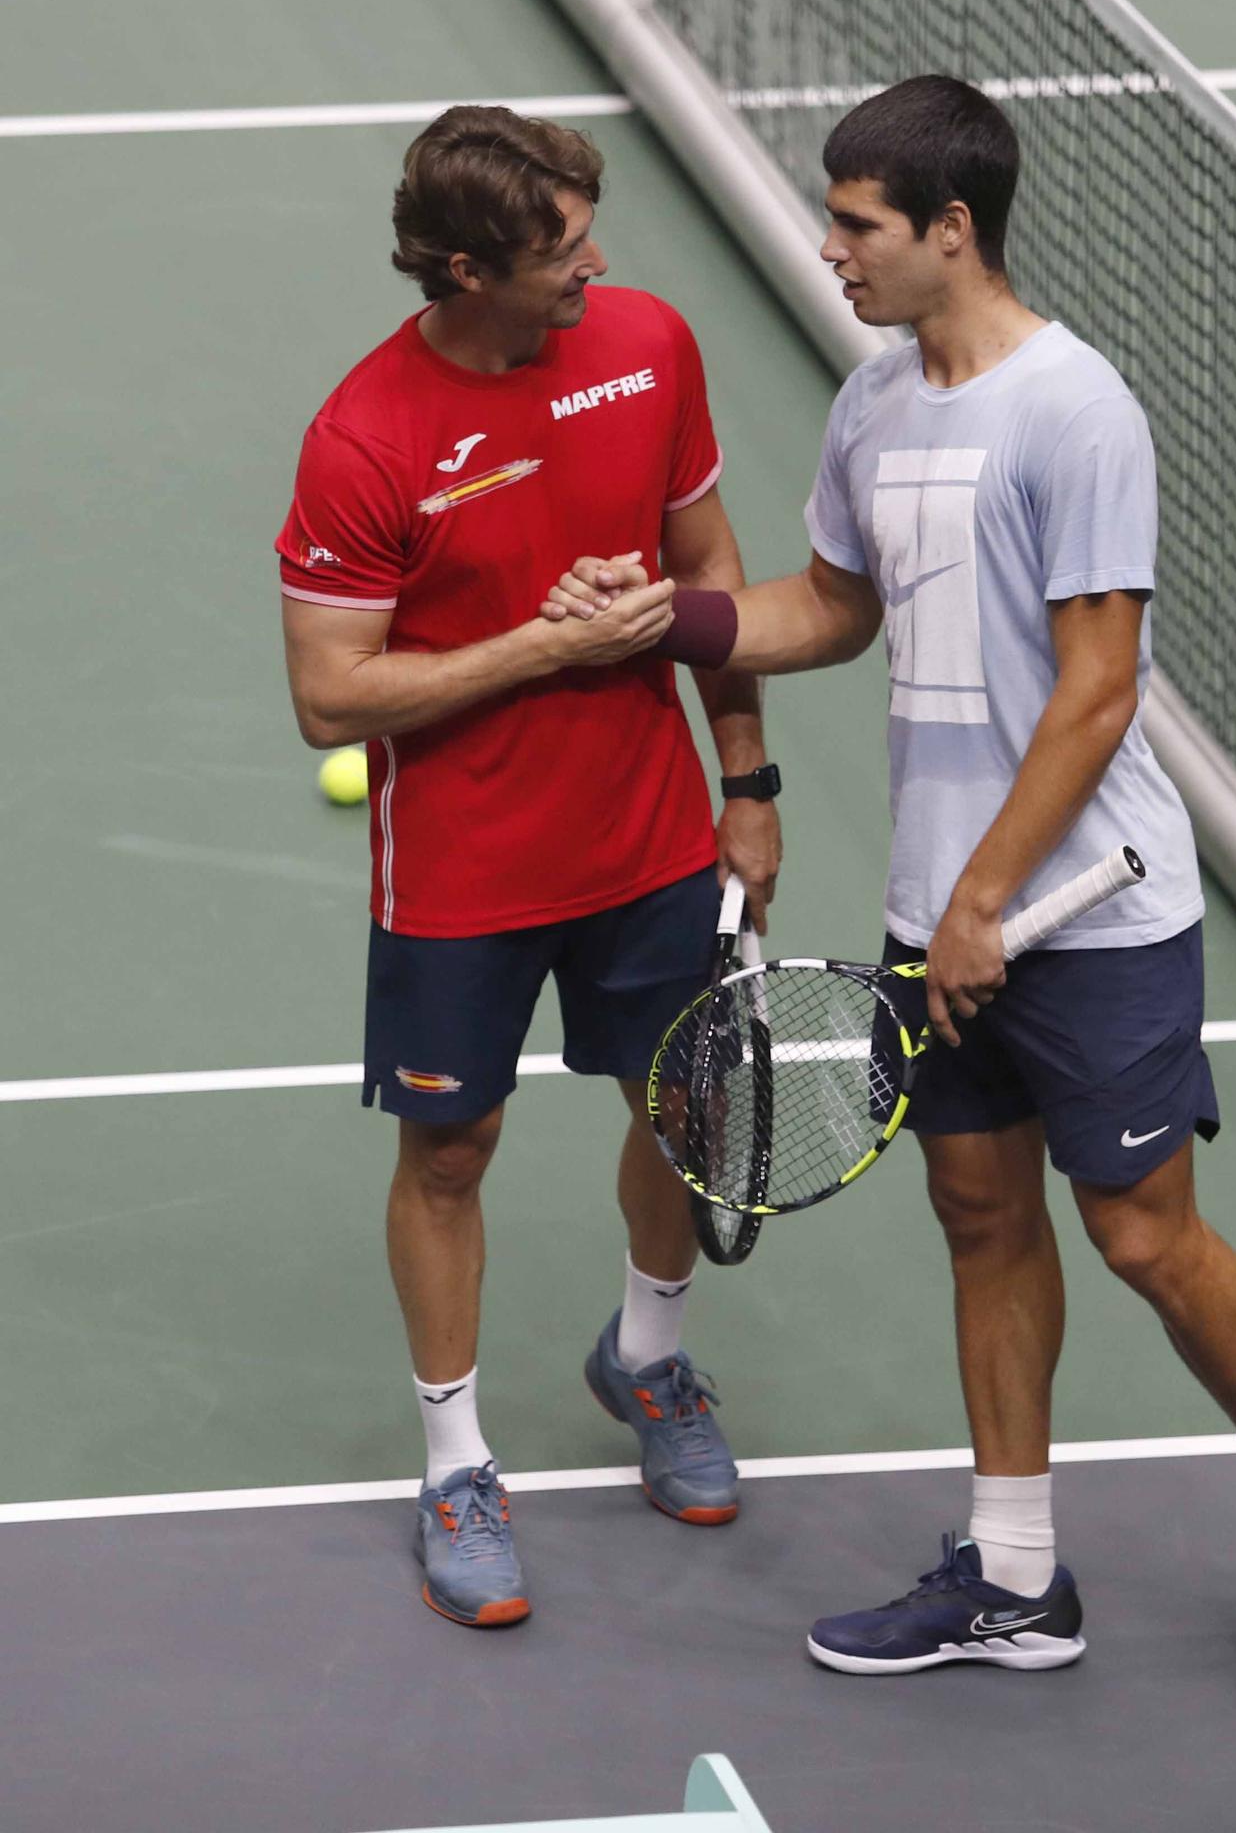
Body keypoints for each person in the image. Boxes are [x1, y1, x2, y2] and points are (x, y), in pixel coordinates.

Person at [542, 76, 1236, 1699]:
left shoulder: (1079, 412)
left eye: (856, 224)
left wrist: (987, 898)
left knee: (1140, 1235)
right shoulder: (874, 406)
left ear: (950, 229)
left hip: (1090, 907)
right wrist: (668, 622)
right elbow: (836, 608)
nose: (831, 248)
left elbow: (1098, 692)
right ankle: (1011, 1574)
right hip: (954, 903)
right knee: (981, 1216)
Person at [276, 105, 781, 1629]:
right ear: (460, 266)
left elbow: (709, 573)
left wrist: (747, 780)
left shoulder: (649, 345)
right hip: (460, 868)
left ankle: (646, 1354)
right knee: (449, 1155)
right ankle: (455, 1466)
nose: (598, 266)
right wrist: (539, 646)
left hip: (649, 831)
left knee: (675, 1107)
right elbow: (329, 696)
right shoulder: (365, 438)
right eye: (562, 250)